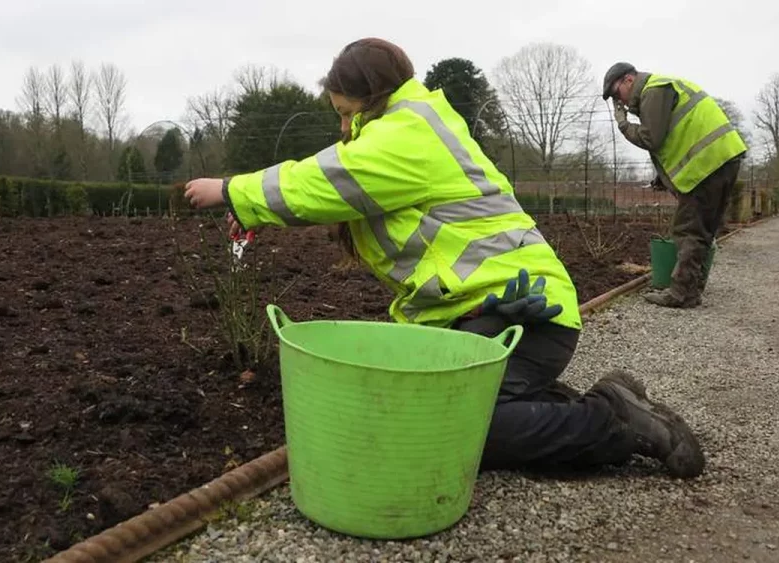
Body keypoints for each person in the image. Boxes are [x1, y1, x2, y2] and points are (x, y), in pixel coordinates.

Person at [185, 38, 705, 478]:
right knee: (452, 408)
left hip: (522, 312)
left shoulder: (406, 134)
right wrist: (262, 214)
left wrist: (232, 191)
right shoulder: (408, 129)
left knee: (457, 429)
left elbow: (330, 179)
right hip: (488, 311)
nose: (343, 129)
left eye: (345, 114)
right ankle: (604, 403)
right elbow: (338, 193)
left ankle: (612, 424)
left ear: (371, 96)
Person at [602, 62, 748, 308]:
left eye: (617, 94)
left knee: (687, 229)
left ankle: (682, 294)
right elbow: (675, 138)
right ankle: (692, 287)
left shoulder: (653, 91)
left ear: (629, 80)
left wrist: (624, 125)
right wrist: (663, 177)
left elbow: (652, 138)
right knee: (703, 230)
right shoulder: (662, 88)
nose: (621, 102)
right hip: (722, 158)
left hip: (707, 165)